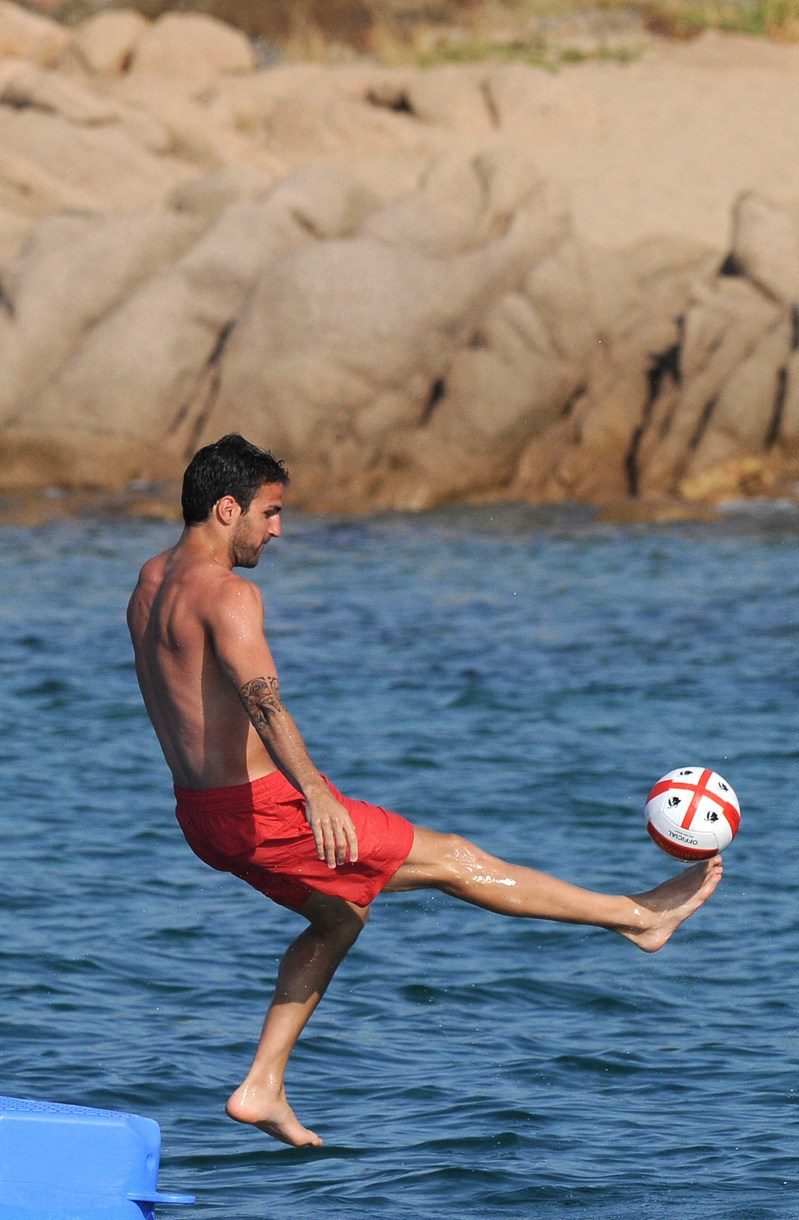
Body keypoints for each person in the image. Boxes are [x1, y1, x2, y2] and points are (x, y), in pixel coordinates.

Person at [128, 434, 723, 1148]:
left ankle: (263, 1084)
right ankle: (635, 917)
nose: (278, 529)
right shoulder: (230, 595)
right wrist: (315, 793)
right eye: (270, 512)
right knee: (454, 860)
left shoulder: (150, 578)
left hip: (200, 816)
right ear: (228, 509)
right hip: (263, 808)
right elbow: (263, 702)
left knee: (341, 917)